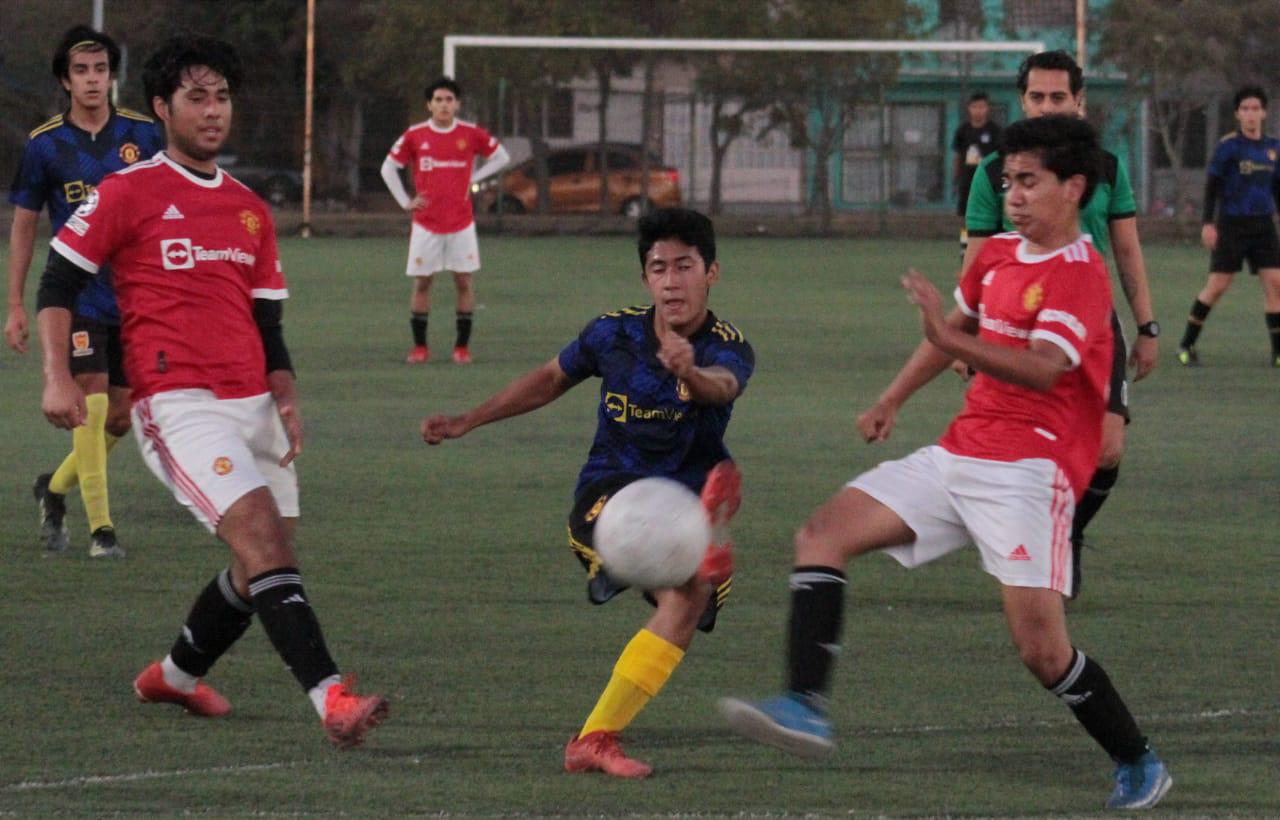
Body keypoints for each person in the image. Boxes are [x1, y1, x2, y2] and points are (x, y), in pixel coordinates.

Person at [720, 116, 1172, 811]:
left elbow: (1043, 369)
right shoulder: (995, 254)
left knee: (1043, 653)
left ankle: (1138, 760)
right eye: (1008, 181)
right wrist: (892, 397)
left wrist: (941, 331)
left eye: (1029, 181)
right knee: (822, 534)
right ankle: (805, 704)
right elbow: (955, 334)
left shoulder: (1081, 277)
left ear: (1074, 187)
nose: (1013, 195)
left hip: (1033, 472)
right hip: (960, 451)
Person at [35, 34, 387, 747]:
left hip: (253, 401)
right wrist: (56, 374)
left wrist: (285, 394)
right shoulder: (126, 192)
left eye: (222, 96)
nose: (213, 110)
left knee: (263, 558)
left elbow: (268, 319)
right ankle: (332, 699)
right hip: (179, 404)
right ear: (162, 107)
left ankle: (175, 674)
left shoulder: (250, 208)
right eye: (196, 96)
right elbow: (60, 280)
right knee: (264, 544)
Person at [422, 207, 752, 778]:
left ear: (711, 272)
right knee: (679, 580)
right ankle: (693, 538)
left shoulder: (728, 347)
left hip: (676, 505)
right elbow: (550, 379)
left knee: (686, 602)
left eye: (685, 266)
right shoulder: (614, 332)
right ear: (645, 278)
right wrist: (466, 420)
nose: (672, 281)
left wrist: (690, 373)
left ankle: (593, 740)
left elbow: (721, 388)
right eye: (658, 268)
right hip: (607, 496)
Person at [960, 50, 1159, 598]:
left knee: (1109, 449)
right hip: (1013, 328)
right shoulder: (998, 172)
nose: (1047, 106)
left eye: (1058, 97)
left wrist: (1147, 326)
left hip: (1092, 324)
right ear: (1021, 101)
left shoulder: (1108, 167)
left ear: (1080, 102)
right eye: (1037, 97)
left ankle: (1064, 535)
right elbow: (976, 260)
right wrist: (965, 337)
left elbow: (1126, 249)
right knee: (1020, 446)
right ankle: (1024, 544)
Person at [7, 25, 164, 558]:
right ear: (65, 80)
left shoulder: (145, 136)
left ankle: (52, 490)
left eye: (100, 69)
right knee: (90, 405)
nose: (93, 79)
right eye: (82, 70)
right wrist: (14, 305)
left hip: (134, 296)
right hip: (76, 295)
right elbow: (25, 223)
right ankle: (103, 532)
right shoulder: (45, 145)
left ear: (111, 76)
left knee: (121, 417)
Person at [381, 76, 510, 365]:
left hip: (461, 223)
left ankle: (462, 348)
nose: (444, 105)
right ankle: (420, 348)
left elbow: (502, 157)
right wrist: (405, 202)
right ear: (429, 105)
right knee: (423, 283)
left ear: (457, 104)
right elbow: (388, 167)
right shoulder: (415, 135)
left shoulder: (470, 133)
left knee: (463, 281)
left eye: (449, 100)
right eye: (438, 100)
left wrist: (474, 178)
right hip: (426, 223)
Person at [1177, 86, 1280, 366]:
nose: (1250, 115)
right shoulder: (1228, 147)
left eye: (1255, 109)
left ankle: (1277, 352)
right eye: (1245, 109)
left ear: (1263, 113)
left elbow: (1276, 187)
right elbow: (1212, 187)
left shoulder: (1273, 148)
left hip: (1263, 226)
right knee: (1217, 286)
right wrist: (1208, 223)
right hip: (1232, 225)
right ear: (1237, 114)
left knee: (1276, 284)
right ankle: (1187, 344)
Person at [951, 91, 1001, 254]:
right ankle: (965, 253)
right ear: (969, 108)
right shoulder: (963, 131)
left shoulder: (995, 131)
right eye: (975, 107)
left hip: (989, 184)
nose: (978, 110)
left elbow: (1001, 158)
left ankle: (990, 254)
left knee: (992, 220)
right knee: (966, 221)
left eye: (982, 106)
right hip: (967, 183)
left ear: (987, 108)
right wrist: (956, 179)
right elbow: (957, 156)